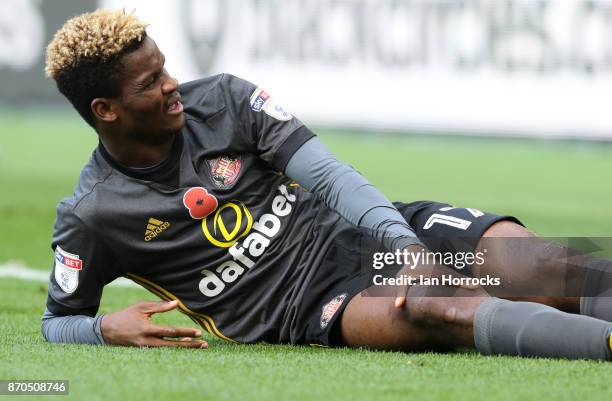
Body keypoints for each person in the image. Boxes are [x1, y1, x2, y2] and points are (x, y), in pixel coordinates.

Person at [42, 9, 612, 360]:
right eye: (151, 82)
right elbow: (55, 323)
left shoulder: (224, 99)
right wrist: (100, 329)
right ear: (106, 110)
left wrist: (407, 246)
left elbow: (332, 177)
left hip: (369, 235)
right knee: (441, 305)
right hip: (306, 303)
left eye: (165, 67)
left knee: (538, 263)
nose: (173, 86)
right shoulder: (93, 214)